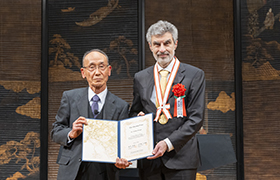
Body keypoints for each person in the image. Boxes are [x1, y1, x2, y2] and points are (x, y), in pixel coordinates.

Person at [129, 20, 205, 180]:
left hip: (181, 158)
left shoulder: (194, 75)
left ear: (175, 44)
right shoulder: (140, 77)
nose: (162, 49)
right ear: (150, 46)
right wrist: (136, 120)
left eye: (167, 43)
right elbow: (135, 111)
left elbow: (196, 119)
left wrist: (168, 143)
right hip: (149, 159)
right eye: (157, 44)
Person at [51, 49, 131, 180]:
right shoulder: (70, 98)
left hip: (105, 172)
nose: (97, 72)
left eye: (101, 66)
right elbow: (55, 131)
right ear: (83, 72)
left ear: (109, 70)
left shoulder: (121, 106)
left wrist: (123, 158)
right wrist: (71, 133)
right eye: (92, 67)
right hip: (72, 171)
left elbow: (123, 143)